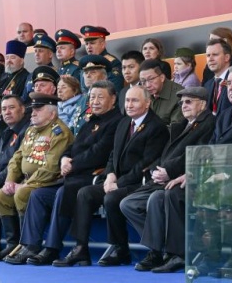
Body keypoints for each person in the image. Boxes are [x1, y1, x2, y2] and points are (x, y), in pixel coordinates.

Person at [7, 81, 122, 266]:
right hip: (73, 175)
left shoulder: (116, 122)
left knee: (63, 192)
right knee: (38, 195)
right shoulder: (91, 121)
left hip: (92, 176)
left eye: (100, 97)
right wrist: (65, 159)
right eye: (92, 97)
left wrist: (72, 164)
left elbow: (100, 152)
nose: (95, 101)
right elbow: (73, 146)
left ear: (113, 99)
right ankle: (30, 245)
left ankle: (52, 248)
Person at [54, 85, 168, 267]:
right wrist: (110, 175)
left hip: (139, 183)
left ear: (147, 103)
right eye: (127, 100)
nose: (129, 104)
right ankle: (81, 248)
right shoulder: (125, 122)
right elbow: (113, 155)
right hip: (117, 180)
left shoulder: (157, 127)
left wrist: (119, 183)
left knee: (112, 198)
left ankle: (121, 248)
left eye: (135, 100)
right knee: (85, 193)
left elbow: (145, 164)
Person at [120, 86, 215, 273]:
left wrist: (169, 171)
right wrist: (156, 170)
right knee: (128, 204)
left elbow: (198, 154)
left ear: (203, 104)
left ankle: (165, 252)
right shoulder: (181, 124)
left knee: (157, 199)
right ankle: (162, 247)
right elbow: (164, 155)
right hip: (163, 178)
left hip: (184, 179)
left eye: (189, 102)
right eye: (181, 102)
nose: (183, 105)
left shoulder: (208, 123)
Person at [0, 93, 74, 260]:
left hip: (49, 182)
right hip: (28, 180)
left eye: (38, 110)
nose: (33, 113)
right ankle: (13, 243)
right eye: (33, 110)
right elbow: (16, 159)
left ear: (52, 114)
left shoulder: (59, 132)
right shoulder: (31, 130)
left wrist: (25, 185)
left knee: (22, 193)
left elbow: (51, 167)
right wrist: (10, 180)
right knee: (2, 195)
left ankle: (29, 245)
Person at [80, 25, 123, 92]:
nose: (89, 47)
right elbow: (83, 89)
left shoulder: (113, 63)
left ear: (102, 44)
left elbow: (114, 89)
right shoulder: (84, 63)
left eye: (92, 43)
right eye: (86, 44)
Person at [138, 58, 183, 125]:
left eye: (151, 79)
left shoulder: (179, 95)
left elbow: (175, 128)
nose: (147, 85)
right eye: (143, 81)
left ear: (162, 78)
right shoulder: (142, 93)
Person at [22, 35, 57, 102]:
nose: (37, 54)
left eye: (40, 51)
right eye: (35, 51)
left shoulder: (55, 73)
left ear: (50, 54)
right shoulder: (31, 75)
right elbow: (24, 98)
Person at [203, 38, 232, 115]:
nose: (210, 59)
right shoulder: (207, 85)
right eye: (208, 55)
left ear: (227, 57)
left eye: (215, 54)